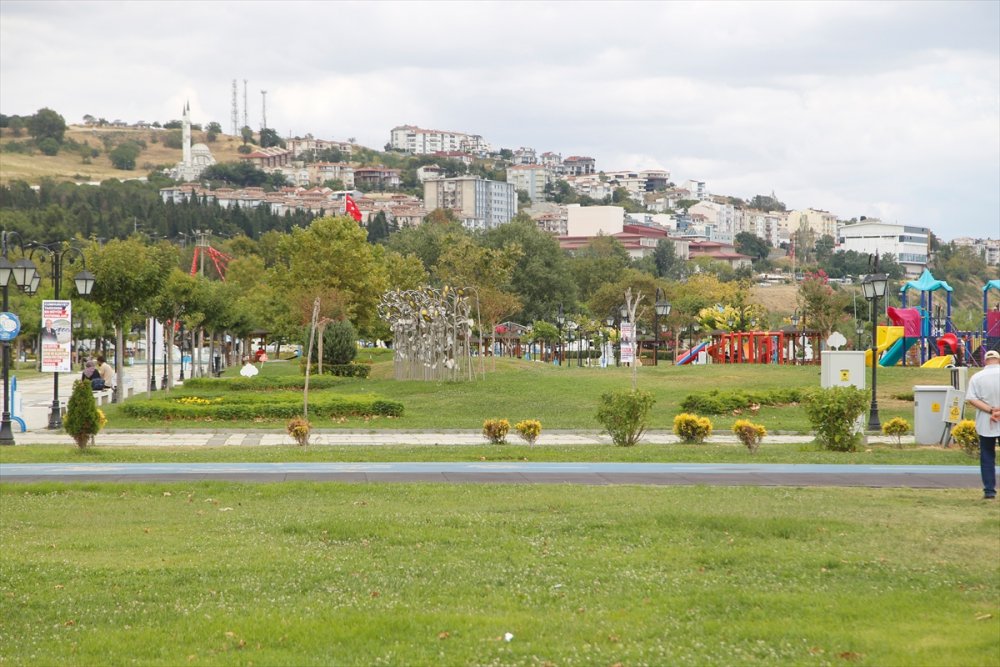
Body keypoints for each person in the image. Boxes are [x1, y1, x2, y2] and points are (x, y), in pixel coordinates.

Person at [965, 349, 1000, 500]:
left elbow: (972, 398)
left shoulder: (977, 377)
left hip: (986, 421)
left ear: (985, 361)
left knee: (987, 456)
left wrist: (991, 410)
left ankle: (989, 490)